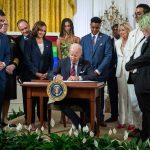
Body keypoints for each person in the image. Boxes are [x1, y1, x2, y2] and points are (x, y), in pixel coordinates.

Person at [48, 43, 98, 128]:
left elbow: (93, 76)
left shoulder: (86, 63)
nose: (73, 58)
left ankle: (91, 125)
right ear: (69, 53)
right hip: (66, 95)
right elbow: (50, 73)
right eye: (71, 55)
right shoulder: (62, 62)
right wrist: (56, 76)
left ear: (80, 55)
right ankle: (80, 126)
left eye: (75, 56)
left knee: (89, 103)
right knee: (61, 103)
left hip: (81, 95)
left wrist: (78, 78)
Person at [80, 17, 112, 127]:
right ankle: (88, 118)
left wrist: (98, 70)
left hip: (100, 74)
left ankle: (100, 119)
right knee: (86, 96)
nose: (94, 29)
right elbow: (82, 56)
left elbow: (108, 56)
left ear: (100, 26)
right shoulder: (83, 39)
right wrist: (86, 71)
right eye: (93, 27)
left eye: (97, 28)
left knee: (100, 98)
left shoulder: (106, 39)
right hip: (87, 74)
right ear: (90, 25)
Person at [125, 4, 150, 137]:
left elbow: (145, 56)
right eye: (135, 14)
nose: (136, 17)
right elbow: (131, 52)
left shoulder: (147, 33)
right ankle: (139, 128)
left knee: (145, 109)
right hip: (134, 75)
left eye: (138, 13)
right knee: (135, 104)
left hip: (144, 76)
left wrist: (131, 64)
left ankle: (144, 132)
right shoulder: (135, 33)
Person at [24, 21, 53, 129]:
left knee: (44, 99)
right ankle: (30, 122)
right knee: (32, 101)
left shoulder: (49, 43)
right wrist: (36, 72)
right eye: (41, 30)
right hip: (32, 76)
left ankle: (43, 119)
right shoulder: (29, 42)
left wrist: (48, 73)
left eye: (44, 31)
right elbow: (27, 60)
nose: (42, 32)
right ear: (36, 29)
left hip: (45, 77)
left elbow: (51, 61)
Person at [115, 22, 134, 130]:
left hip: (130, 71)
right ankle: (121, 121)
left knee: (131, 97)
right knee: (121, 97)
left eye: (123, 30)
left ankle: (131, 122)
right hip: (120, 72)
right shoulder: (117, 43)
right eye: (120, 30)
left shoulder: (133, 41)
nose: (121, 32)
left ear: (128, 30)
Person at [0, 18, 19, 127]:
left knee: (7, 95)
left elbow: (18, 56)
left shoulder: (11, 39)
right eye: (2, 23)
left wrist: (13, 65)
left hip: (9, 72)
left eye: (6, 24)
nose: (4, 25)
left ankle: (5, 118)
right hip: (2, 70)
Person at [15, 19, 31, 124]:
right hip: (24, 73)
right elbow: (16, 58)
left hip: (37, 73)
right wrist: (17, 74)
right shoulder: (17, 41)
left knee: (39, 97)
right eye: (22, 29)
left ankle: (43, 119)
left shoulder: (37, 38)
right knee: (26, 97)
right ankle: (28, 119)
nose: (24, 31)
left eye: (26, 28)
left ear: (29, 26)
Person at [105, 24, 119, 123]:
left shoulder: (126, 41)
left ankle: (124, 116)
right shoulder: (109, 41)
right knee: (113, 95)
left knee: (123, 95)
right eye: (113, 30)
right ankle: (114, 115)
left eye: (117, 29)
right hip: (111, 73)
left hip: (124, 72)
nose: (115, 31)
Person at [0, 10, 10, 128]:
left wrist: (4, 63)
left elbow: (8, 55)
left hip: (1, 74)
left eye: (3, 21)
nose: (2, 23)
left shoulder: (4, 38)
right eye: (0, 21)